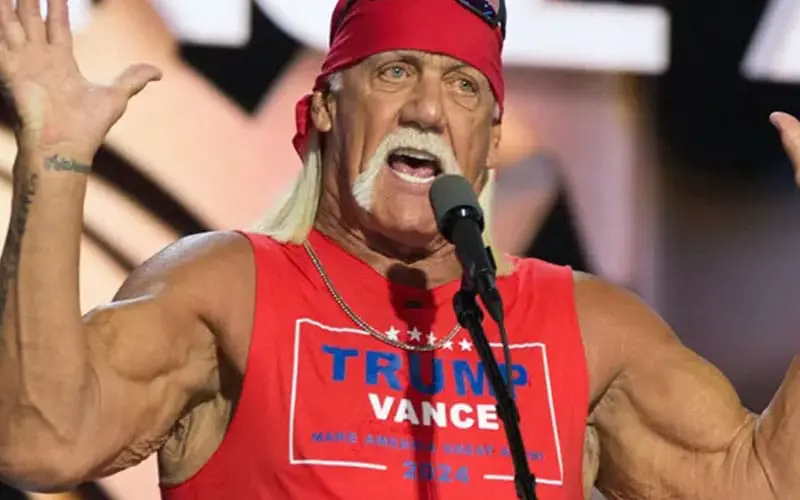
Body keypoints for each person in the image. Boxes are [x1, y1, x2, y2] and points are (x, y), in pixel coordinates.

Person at [0, 0, 799, 498]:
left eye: (464, 87)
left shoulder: (587, 328)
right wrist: (55, 163)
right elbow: (42, 441)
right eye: (394, 72)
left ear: (490, 144)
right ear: (324, 109)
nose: (427, 108)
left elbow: (761, 482)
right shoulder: (225, 288)